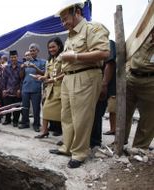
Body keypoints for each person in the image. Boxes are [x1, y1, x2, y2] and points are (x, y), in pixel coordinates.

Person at [49, 0, 110, 169]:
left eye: (65, 18)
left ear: (77, 11)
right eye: (61, 20)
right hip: (69, 78)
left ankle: (79, 153)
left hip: (86, 76)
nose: (64, 23)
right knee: (66, 115)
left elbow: (104, 52)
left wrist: (75, 56)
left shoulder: (93, 28)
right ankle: (67, 147)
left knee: (81, 118)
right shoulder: (70, 36)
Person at [125, 29, 154, 150]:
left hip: (150, 81)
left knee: (148, 118)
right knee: (123, 112)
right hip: (131, 77)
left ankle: (139, 149)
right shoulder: (142, 36)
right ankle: (120, 141)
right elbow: (128, 53)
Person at [34, 37, 64, 138]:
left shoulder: (64, 57)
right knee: (46, 109)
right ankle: (44, 131)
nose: (51, 49)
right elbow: (47, 75)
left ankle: (66, 138)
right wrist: (41, 77)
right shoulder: (50, 60)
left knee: (64, 115)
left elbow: (66, 73)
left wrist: (53, 80)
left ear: (59, 46)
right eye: (49, 48)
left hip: (62, 90)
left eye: (53, 47)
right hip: (50, 90)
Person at [90, 40, 116, 148]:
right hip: (91, 85)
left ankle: (95, 142)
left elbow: (110, 63)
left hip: (102, 85)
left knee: (96, 113)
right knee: (90, 114)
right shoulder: (91, 45)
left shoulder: (108, 43)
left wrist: (104, 85)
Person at [19, 43, 46, 132]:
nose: (32, 52)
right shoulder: (25, 63)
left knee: (36, 108)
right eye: (30, 50)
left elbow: (44, 74)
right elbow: (21, 76)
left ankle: (36, 124)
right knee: (25, 108)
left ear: (37, 51)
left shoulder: (42, 62)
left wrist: (34, 66)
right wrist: (22, 68)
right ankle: (25, 123)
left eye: (34, 50)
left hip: (36, 88)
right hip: (25, 88)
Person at [1, 50, 22, 127]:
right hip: (8, 91)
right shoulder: (7, 67)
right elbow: (4, 79)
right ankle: (7, 119)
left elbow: (22, 79)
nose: (13, 59)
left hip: (17, 91)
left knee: (17, 107)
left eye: (15, 57)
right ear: (10, 58)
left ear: (17, 57)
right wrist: (3, 89)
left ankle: (15, 121)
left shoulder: (21, 66)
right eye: (12, 57)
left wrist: (20, 89)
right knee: (7, 106)